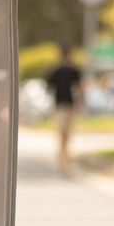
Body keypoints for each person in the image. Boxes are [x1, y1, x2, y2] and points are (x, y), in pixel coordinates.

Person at [45, 43, 82, 176]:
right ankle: (64, 160)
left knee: (62, 134)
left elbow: (48, 89)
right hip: (68, 105)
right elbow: (79, 88)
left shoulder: (55, 70)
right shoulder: (73, 70)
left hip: (60, 106)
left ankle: (62, 159)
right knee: (66, 135)